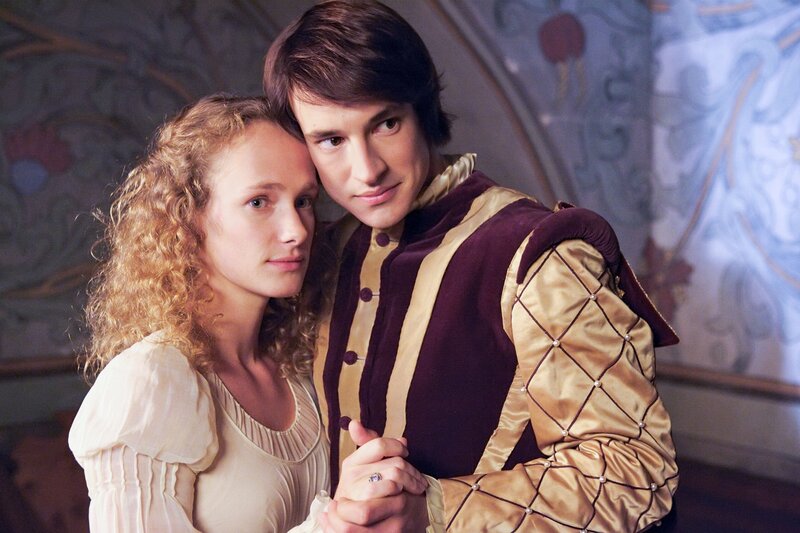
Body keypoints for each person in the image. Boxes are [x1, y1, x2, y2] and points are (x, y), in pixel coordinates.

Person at [264, 1, 680, 531]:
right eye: (331, 140)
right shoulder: (320, 253)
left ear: (422, 110)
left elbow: (636, 471)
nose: (366, 170)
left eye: (386, 123)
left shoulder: (539, 254)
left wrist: (435, 507)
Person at [68, 94, 427, 532]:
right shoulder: (150, 380)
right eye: (259, 202)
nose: (296, 231)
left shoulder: (299, 368)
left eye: (304, 201)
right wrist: (333, 523)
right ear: (190, 217)